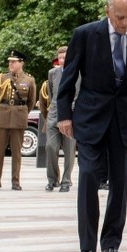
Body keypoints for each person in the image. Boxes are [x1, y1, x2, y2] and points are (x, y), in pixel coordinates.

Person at [58, 0, 127, 252]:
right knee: (88, 176)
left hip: (123, 118)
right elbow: (69, 76)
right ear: (107, 11)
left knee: (121, 182)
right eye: (120, 17)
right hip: (89, 117)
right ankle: (86, 248)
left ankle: (111, 244)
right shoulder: (85, 35)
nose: (125, 23)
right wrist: (65, 115)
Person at [0, 50, 37, 191]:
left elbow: (31, 102)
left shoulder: (29, 80)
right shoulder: (2, 78)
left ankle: (15, 181)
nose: (10, 64)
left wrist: (20, 111)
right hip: (3, 116)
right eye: (9, 61)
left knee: (16, 152)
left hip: (18, 117)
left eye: (13, 62)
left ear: (21, 63)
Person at [45, 46, 76, 193]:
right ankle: (52, 179)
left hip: (71, 114)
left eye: (65, 57)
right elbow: (51, 94)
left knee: (69, 150)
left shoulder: (78, 72)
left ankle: (66, 180)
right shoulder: (52, 73)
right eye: (61, 58)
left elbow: (79, 93)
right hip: (54, 114)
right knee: (50, 147)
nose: (63, 60)